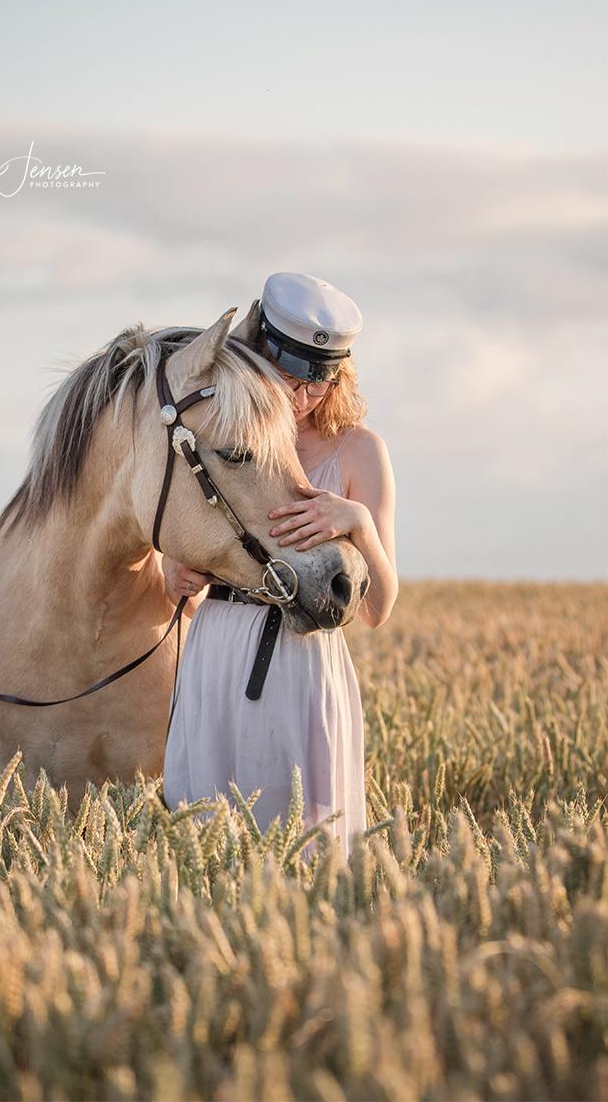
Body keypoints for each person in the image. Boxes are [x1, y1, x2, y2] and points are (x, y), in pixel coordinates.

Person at [161, 272, 398, 859]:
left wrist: (356, 522)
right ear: (258, 356)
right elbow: (184, 561)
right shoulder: (220, 434)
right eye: (288, 377)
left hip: (303, 664)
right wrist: (174, 571)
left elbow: (378, 608)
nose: (302, 397)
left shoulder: (359, 450)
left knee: (306, 847)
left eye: (319, 382)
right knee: (204, 846)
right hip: (216, 650)